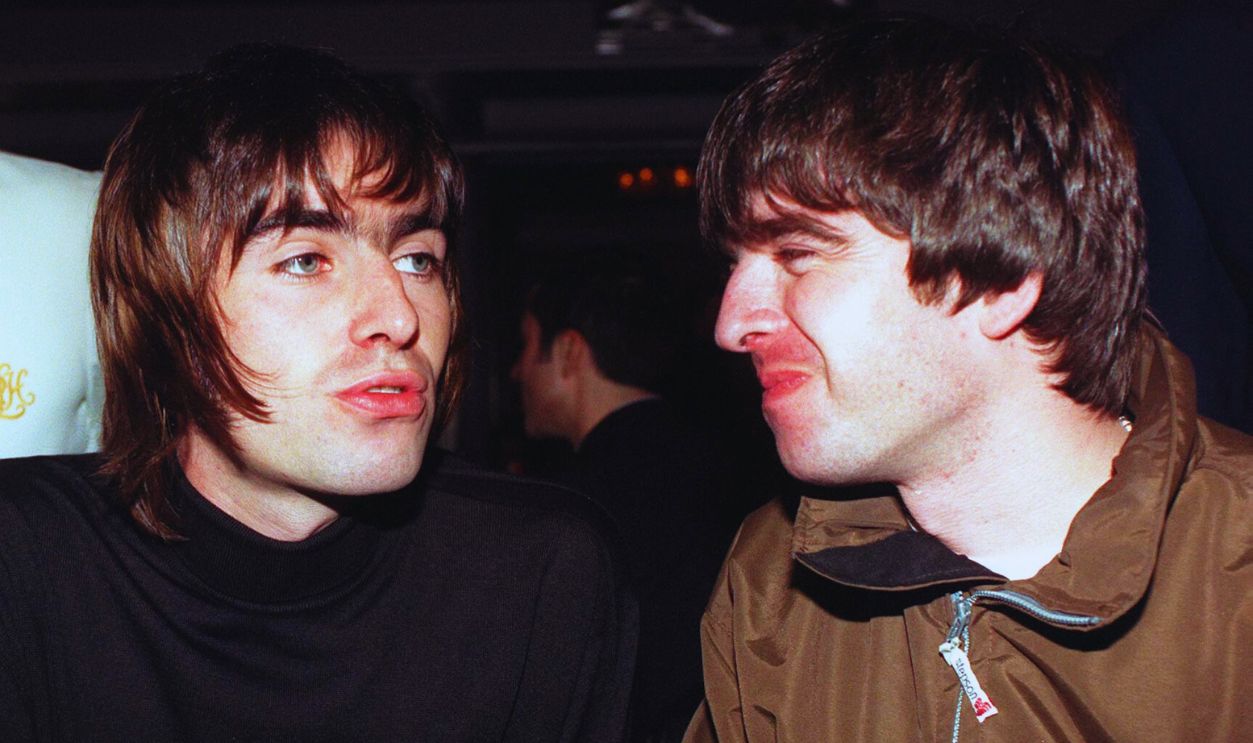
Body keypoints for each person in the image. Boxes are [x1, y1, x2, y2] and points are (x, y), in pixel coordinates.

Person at [0, 44, 634, 741]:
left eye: (417, 258)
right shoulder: (29, 562)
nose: (398, 315)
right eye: (305, 260)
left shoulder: (540, 572)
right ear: (165, 314)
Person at [684, 16, 1253, 743]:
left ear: (999, 279)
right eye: (735, 267)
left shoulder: (1232, 570)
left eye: (797, 253)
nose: (731, 325)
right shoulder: (771, 580)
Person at [512, 256, 737, 742]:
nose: (516, 371)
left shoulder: (571, 507)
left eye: (527, 345)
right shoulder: (730, 465)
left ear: (570, 351)